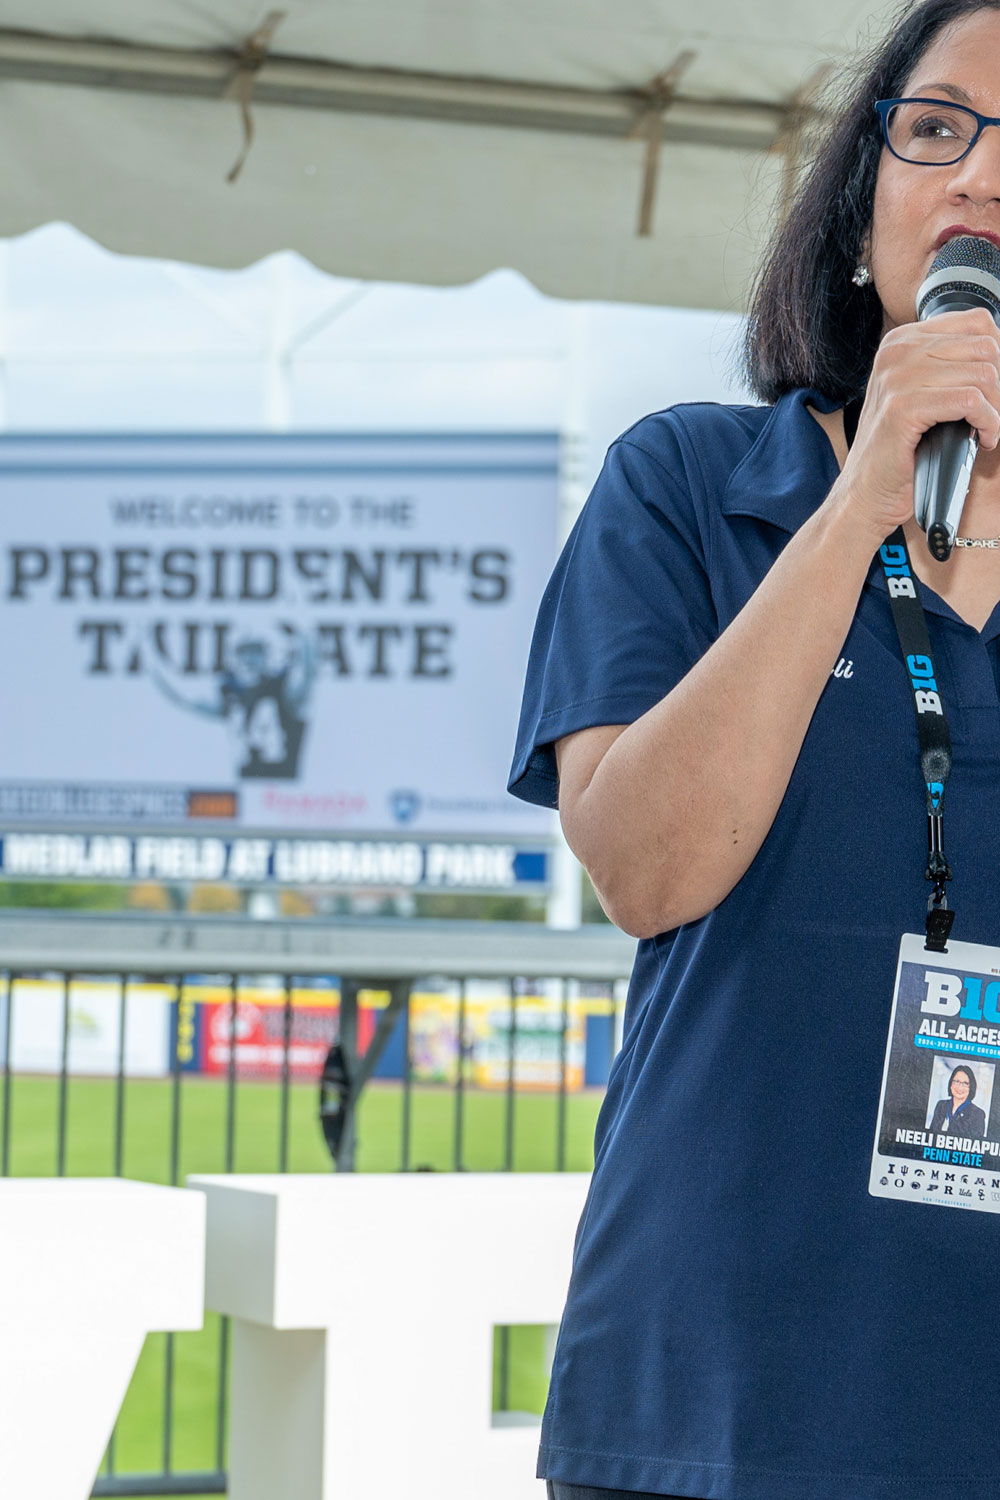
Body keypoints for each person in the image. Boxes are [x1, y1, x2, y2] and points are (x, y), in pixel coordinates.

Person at [508, 3, 1000, 1497]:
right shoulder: (690, 487)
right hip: (711, 1399)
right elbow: (646, 868)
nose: (978, 181)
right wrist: (861, 502)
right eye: (935, 129)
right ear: (861, 221)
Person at [928, 1062, 988, 1135]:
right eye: (956, 1081)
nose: (960, 1087)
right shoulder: (941, 1105)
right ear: (951, 1084)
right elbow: (930, 1134)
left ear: (971, 1087)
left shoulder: (977, 1114)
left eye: (965, 1083)